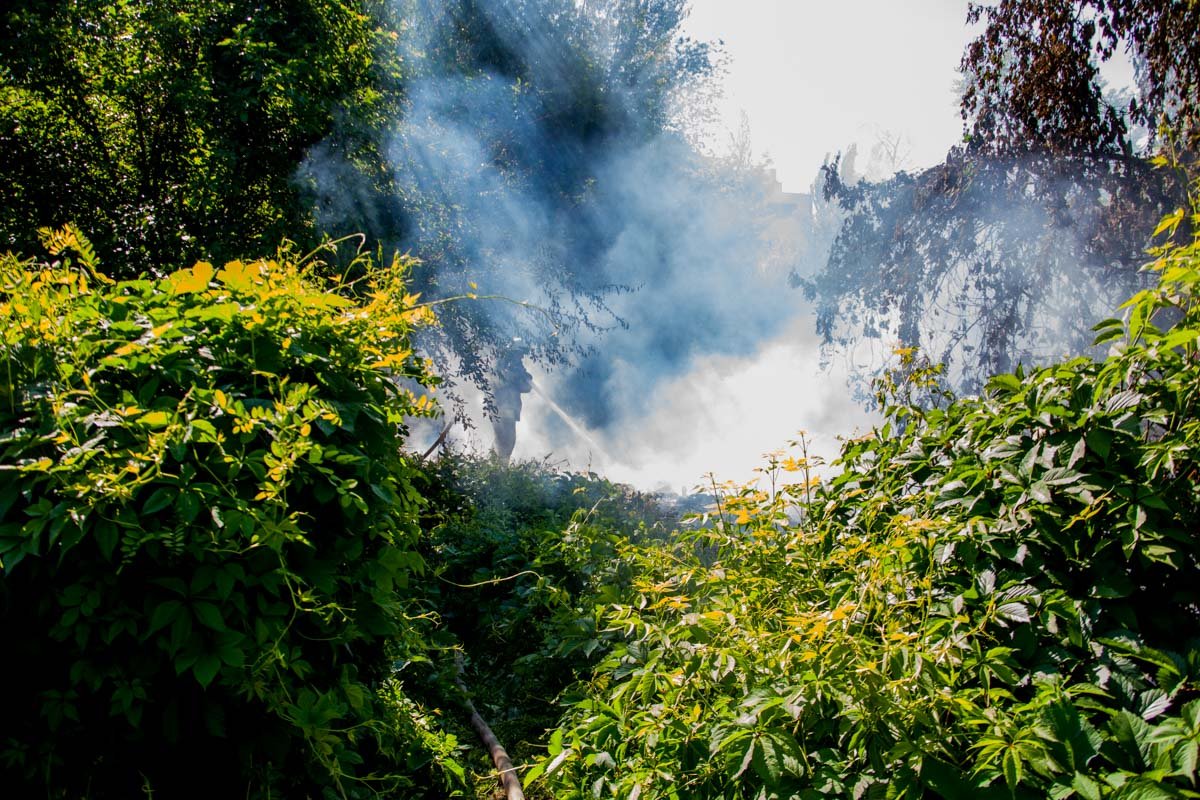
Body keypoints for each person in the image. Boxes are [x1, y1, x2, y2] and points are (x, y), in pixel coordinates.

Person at [491, 345, 533, 460]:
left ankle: (499, 466)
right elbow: (497, 382)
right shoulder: (499, 368)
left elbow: (526, 387)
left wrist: (525, 376)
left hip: (511, 410)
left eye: (521, 356)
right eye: (518, 355)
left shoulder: (518, 370)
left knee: (509, 441)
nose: (520, 358)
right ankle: (496, 465)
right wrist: (514, 375)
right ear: (511, 355)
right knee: (503, 440)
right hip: (500, 409)